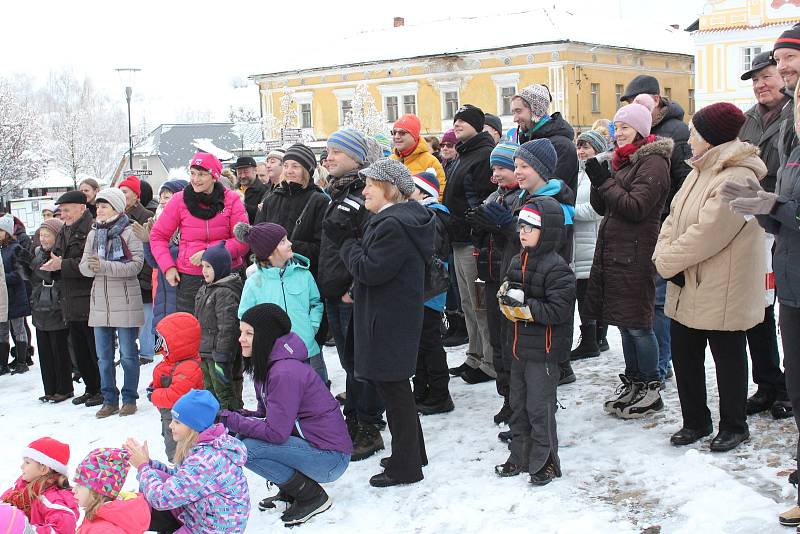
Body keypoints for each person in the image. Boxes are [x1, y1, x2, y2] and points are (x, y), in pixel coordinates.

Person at [654, 102, 764, 452]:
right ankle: (695, 421)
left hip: (721, 286)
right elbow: (672, 217)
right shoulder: (697, 172)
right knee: (685, 356)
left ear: (712, 138)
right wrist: (664, 252)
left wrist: (666, 260)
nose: (689, 137)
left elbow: (711, 232)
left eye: (696, 131)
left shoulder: (741, 177)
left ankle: (734, 425)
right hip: (688, 281)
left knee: (727, 358)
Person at [720, 70, 800, 527]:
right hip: (791, 280)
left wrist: (776, 207)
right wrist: (761, 206)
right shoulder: (791, 151)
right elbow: (785, 216)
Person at [325, 158, 433, 487]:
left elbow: (371, 269)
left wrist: (346, 243)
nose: (364, 190)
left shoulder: (393, 224)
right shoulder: (394, 220)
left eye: (370, 184)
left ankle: (406, 467)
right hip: (390, 315)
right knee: (396, 389)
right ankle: (413, 454)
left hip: (389, 320)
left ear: (389, 188)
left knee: (395, 389)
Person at [220, 304, 350, 526]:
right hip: (311, 446)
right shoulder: (268, 366)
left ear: (266, 337)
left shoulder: (284, 372)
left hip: (330, 458)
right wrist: (239, 415)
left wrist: (233, 421)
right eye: (241, 332)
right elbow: (266, 415)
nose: (241, 338)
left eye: (249, 333)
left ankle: (311, 496)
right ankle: (292, 492)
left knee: (246, 449)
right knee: (242, 439)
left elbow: (276, 432)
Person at [584, 94, 671, 418]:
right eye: (615, 127)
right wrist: (598, 180)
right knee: (623, 323)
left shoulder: (654, 162)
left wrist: (604, 181)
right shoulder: (623, 160)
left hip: (636, 255)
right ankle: (634, 380)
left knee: (639, 325)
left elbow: (635, 207)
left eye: (624, 127)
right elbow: (603, 206)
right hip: (616, 255)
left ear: (640, 128)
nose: (617, 132)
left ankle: (651, 385)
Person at [494, 196, 575, 485]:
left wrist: (526, 307)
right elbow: (508, 294)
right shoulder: (517, 260)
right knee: (518, 404)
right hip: (517, 348)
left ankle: (546, 461)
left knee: (540, 408)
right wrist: (505, 298)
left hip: (543, 352)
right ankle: (520, 455)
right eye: (521, 226)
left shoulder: (558, 268)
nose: (523, 232)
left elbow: (559, 310)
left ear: (548, 231)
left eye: (531, 227)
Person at [317, 128, 385, 460]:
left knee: (361, 364)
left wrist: (354, 288)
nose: (328, 157)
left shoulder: (364, 195)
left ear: (357, 158)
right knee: (350, 363)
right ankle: (357, 418)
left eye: (336, 152)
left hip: (349, 293)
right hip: (334, 291)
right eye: (327, 151)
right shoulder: (339, 193)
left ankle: (366, 427)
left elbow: (372, 247)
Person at [620, 75, 693, 383]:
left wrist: (665, 215)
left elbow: (680, 183)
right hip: (643, 230)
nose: (633, 110)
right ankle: (650, 366)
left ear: (655, 99)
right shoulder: (637, 138)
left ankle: (660, 365)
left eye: (637, 103)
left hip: (662, 226)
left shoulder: (675, 132)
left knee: (657, 302)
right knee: (641, 304)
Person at [739, 50, 795, 419]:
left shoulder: (795, 113)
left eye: (766, 76)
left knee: (787, 311)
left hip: (786, 220)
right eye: (755, 80)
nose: (761, 85)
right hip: (756, 223)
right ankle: (768, 382)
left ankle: (791, 387)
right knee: (758, 307)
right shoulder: (747, 120)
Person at [126, 389, 250, 534]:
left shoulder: (205, 461)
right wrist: (149, 464)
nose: (171, 426)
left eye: (177, 422)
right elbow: (179, 477)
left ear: (194, 427)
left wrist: (143, 467)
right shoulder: (203, 443)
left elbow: (161, 499)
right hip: (200, 515)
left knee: (153, 488)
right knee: (156, 475)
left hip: (211, 529)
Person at [465, 141, 523, 422]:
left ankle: (519, 399)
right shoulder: (494, 197)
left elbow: (523, 239)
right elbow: (482, 235)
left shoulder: (523, 199)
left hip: (512, 278)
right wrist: (477, 227)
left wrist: (503, 226)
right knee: (498, 341)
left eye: (502, 167)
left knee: (513, 343)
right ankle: (507, 397)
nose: (496, 174)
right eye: (494, 169)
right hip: (490, 278)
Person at [149, 152, 249, 314]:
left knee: (227, 330)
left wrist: (210, 254)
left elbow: (243, 240)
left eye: (202, 174)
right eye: (193, 173)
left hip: (227, 275)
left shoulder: (231, 200)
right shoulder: (179, 200)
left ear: (214, 176)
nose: (195, 179)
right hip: (191, 277)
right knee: (192, 332)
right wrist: (168, 267)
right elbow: (158, 236)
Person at [443, 104, 498, 384]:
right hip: (458, 238)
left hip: (474, 241)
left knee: (480, 303)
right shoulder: (462, 155)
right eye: (455, 120)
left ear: (478, 124)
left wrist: (469, 226)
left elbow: (484, 200)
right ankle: (474, 355)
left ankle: (489, 362)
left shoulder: (484, 154)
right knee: (467, 302)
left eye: (463, 120)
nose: (457, 124)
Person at [79, 188, 144, 419]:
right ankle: (109, 400)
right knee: (104, 357)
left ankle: (129, 398)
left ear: (116, 208)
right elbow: (84, 267)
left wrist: (104, 266)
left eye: (104, 206)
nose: (99, 210)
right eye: (98, 206)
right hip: (100, 303)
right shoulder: (92, 233)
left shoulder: (129, 232)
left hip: (125, 299)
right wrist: (90, 267)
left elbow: (136, 266)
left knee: (128, 355)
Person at [235, 222, 326, 381]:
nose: (290, 243)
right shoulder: (254, 283)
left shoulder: (303, 275)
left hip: (305, 348)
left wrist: (312, 326)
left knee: (313, 390)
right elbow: (244, 316)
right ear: (269, 252)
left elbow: (316, 303)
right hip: (272, 354)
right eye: (283, 241)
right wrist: (260, 338)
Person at [47, 191, 102, 407]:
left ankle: (101, 388)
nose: (64, 215)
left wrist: (62, 265)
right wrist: (51, 265)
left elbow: (90, 263)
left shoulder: (92, 228)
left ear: (82, 207)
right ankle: (90, 388)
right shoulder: (64, 230)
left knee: (93, 348)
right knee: (79, 349)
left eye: (67, 210)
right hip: (69, 298)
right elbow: (58, 256)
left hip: (88, 297)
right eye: (61, 211)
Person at [408, 171, 454, 415]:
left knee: (430, 343)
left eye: (411, 188)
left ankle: (439, 394)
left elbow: (429, 253)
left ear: (424, 193)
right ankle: (422, 389)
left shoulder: (432, 215)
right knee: (421, 343)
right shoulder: (425, 214)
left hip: (430, 290)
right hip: (424, 289)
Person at [254, 144, 329, 275]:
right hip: (272, 274)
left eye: (295, 166)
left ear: (307, 170)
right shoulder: (271, 198)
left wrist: (286, 245)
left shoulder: (319, 201)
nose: (289, 170)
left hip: (304, 274)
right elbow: (257, 235)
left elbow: (322, 247)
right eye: (286, 165)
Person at [571, 130, 610, 360]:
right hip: (579, 242)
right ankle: (595, 338)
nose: (582, 151)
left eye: (586, 147)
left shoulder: (600, 171)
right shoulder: (579, 173)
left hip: (592, 241)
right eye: (580, 146)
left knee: (588, 295)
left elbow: (598, 210)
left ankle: (592, 341)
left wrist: (569, 211)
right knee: (586, 293)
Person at [135, 179, 188, 337]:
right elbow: (155, 263)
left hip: (180, 295)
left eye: (168, 197)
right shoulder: (160, 222)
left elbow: (177, 258)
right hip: (163, 296)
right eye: (162, 197)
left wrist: (158, 242)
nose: (163, 201)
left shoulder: (187, 224)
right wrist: (148, 241)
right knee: (165, 348)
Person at [148, 312, 204, 463]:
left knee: (180, 452)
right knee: (172, 447)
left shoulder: (188, 367)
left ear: (177, 342)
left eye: (163, 340)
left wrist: (154, 395)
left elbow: (176, 396)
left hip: (184, 422)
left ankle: (184, 477)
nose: (160, 344)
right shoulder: (172, 362)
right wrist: (154, 386)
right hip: (171, 418)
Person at [194, 242, 243, 410]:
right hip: (205, 351)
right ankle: (215, 426)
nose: (204, 270)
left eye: (208, 266)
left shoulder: (225, 292)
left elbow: (228, 327)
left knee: (224, 392)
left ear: (220, 267)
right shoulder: (205, 289)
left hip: (219, 355)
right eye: (203, 266)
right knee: (209, 391)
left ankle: (234, 424)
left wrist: (223, 354)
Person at [507, 84, 578, 195]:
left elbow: (551, 190)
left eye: (518, 111)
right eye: (513, 112)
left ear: (536, 109)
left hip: (548, 211)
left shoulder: (561, 145)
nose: (515, 118)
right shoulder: (528, 139)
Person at [30, 218, 73, 402]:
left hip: (57, 306)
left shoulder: (60, 255)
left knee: (59, 349)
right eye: (41, 235)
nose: (44, 239)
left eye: (47, 235)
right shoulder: (37, 254)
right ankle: (49, 388)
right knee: (45, 351)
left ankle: (64, 388)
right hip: (40, 306)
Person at [1, 437, 78, 533]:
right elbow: (4, 503)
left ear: (44, 469)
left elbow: (64, 528)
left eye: (27, 462)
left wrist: (28, 531)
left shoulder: (51, 498)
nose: (22, 466)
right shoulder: (22, 486)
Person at [118, 175, 156, 366]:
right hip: (124, 275)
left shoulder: (147, 216)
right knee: (128, 319)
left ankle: (147, 352)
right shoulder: (118, 218)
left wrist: (145, 278)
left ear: (136, 195)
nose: (122, 196)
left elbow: (150, 250)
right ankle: (130, 352)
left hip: (143, 277)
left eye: (125, 192)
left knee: (146, 319)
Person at [73, 448, 150, 534]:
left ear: (95, 491)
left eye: (79, 485)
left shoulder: (102, 530)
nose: (73, 490)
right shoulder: (99, 515)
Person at [390, 114, 446, 202]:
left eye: (402, 133)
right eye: (394, 132)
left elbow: (440, 196)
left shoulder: (431, 162)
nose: (396, 136)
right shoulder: (390, 160)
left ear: (414, 136)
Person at [0, 214, 30, 375]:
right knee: (2, 330)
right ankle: (2, 364)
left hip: (15, 296)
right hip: (2, 298)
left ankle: (21, 361)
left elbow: (21, 274)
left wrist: (2, 277)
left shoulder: (16, 248)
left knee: (18, 328)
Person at [232, 156, 266, 224]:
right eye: (240, 173)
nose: (243, 176)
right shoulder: (234, 190)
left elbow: (262, 213)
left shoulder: (264, 190)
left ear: (255, 171)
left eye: (246, 172)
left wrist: (242, 205)